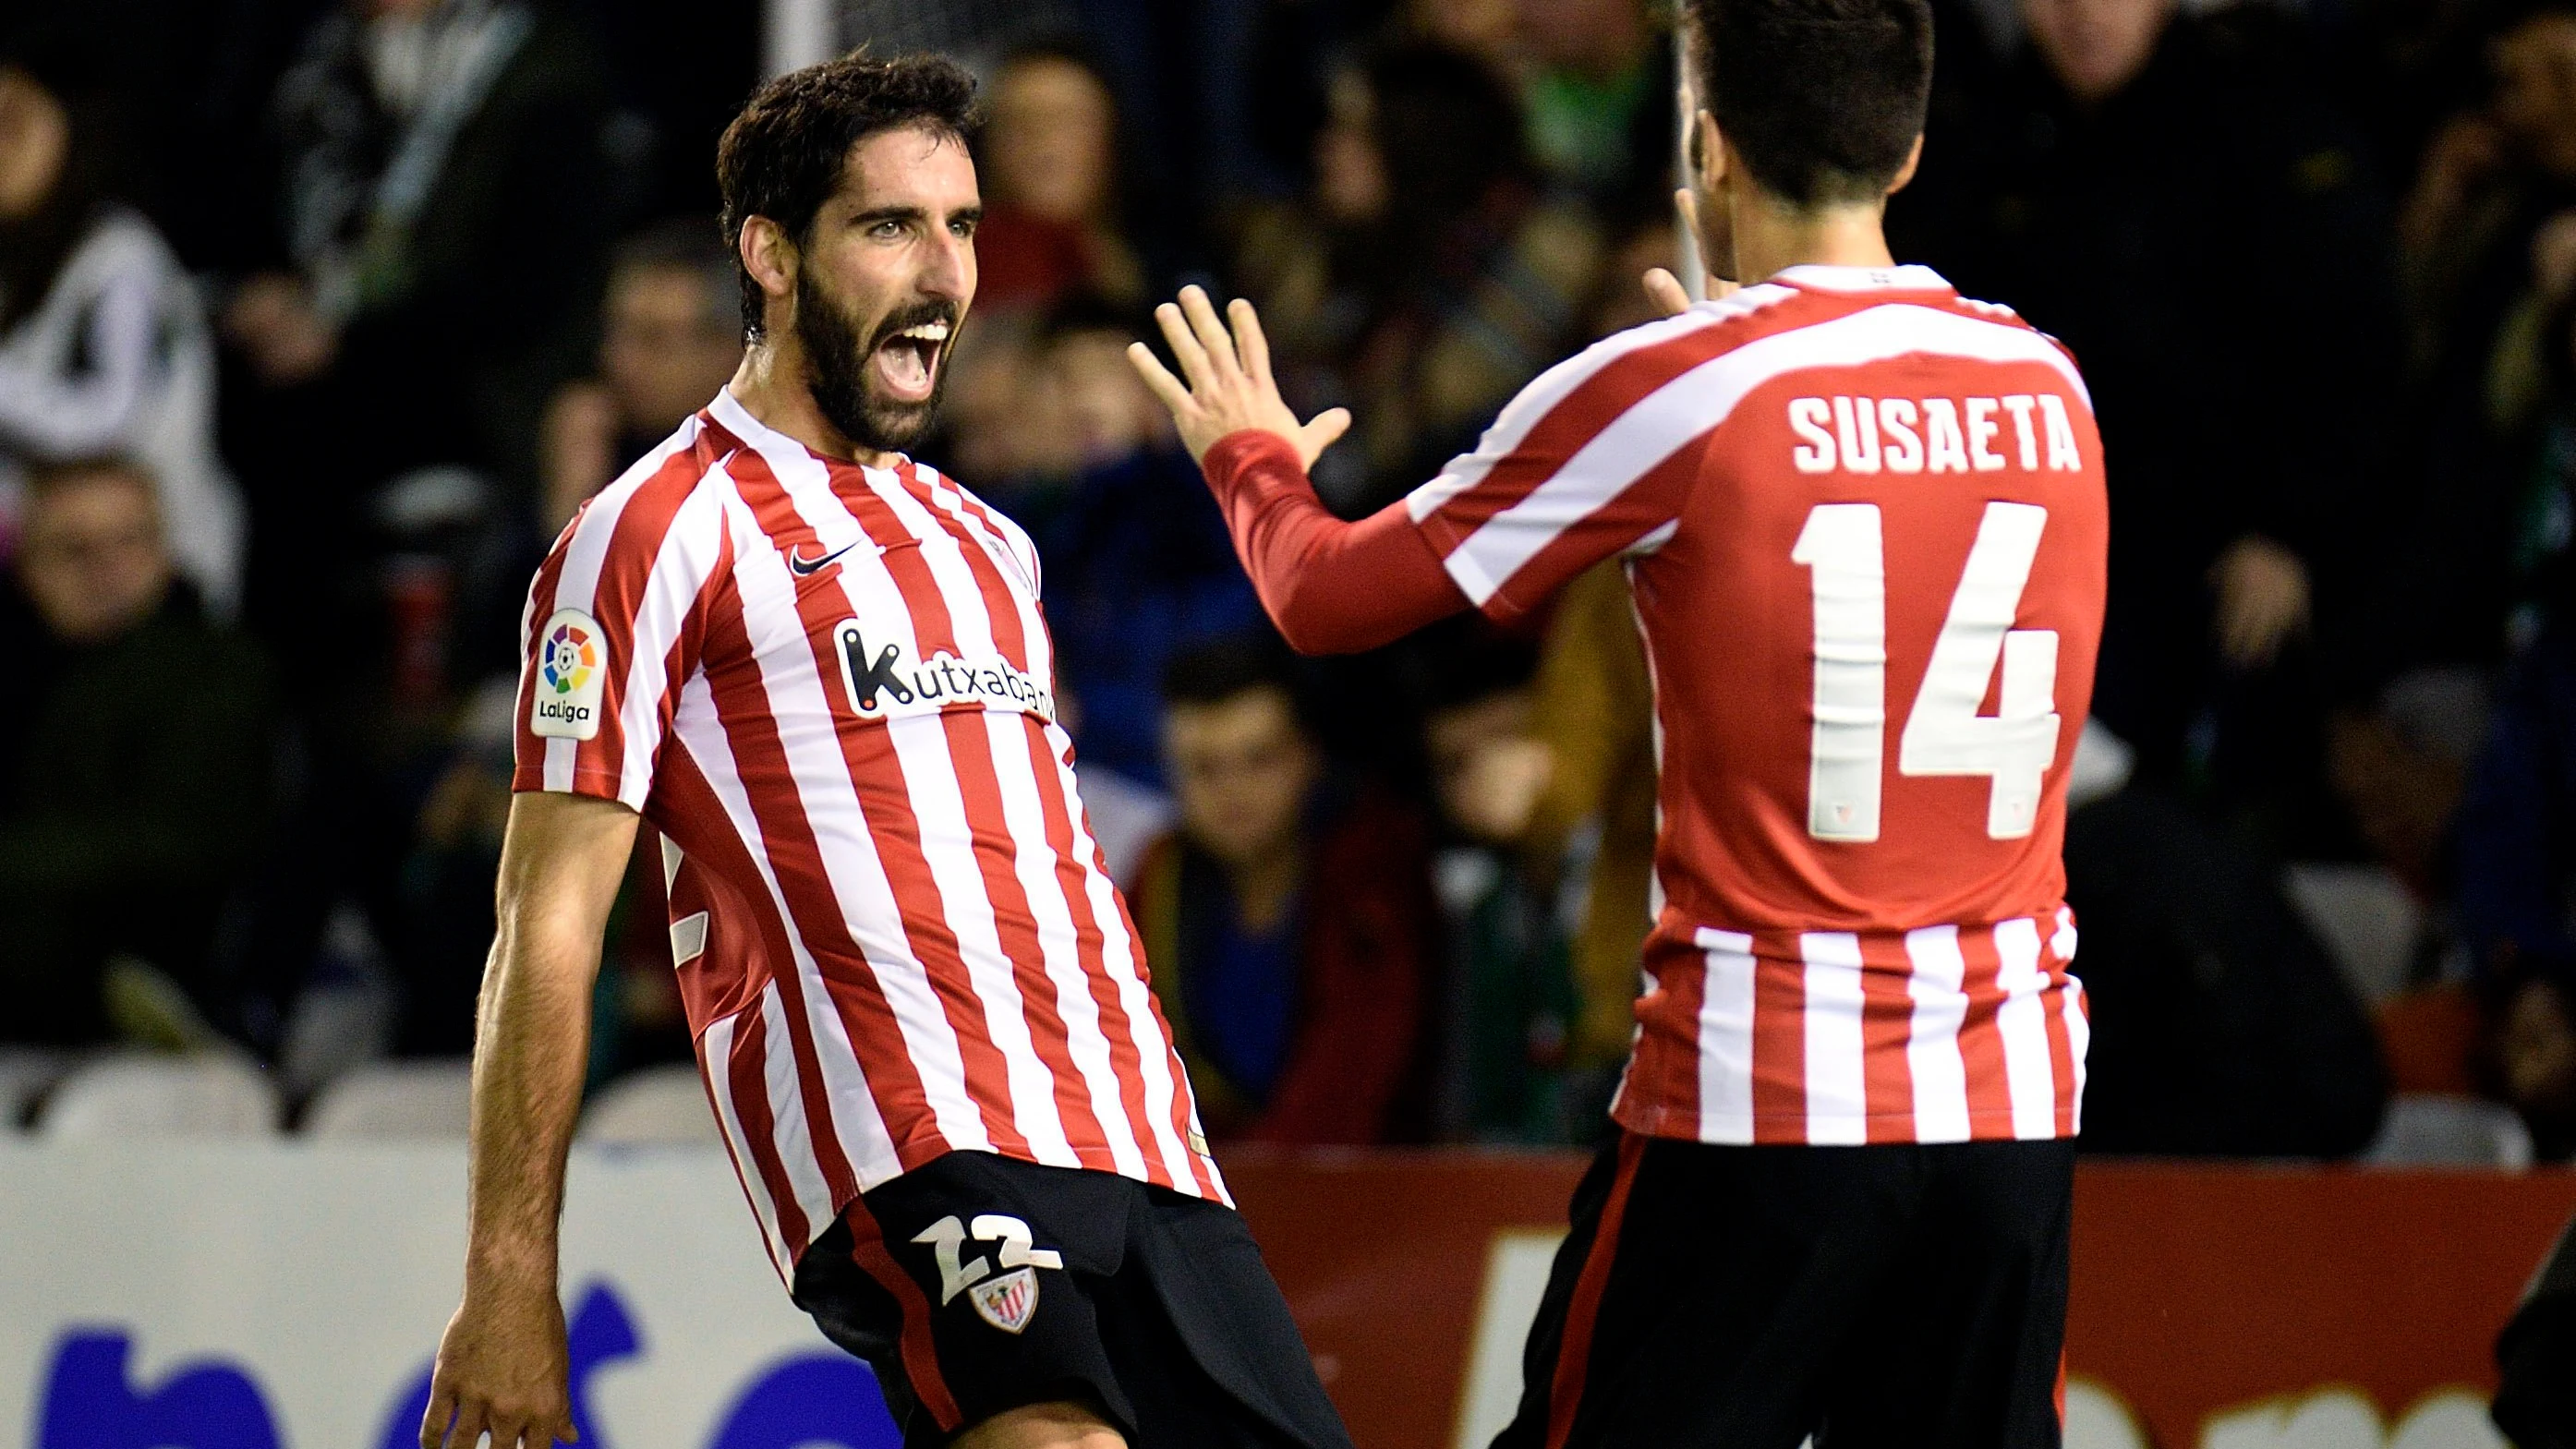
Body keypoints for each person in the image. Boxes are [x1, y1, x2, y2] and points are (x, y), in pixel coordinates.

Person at [1128, 0, 2109, 1438]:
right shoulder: (2048, 382)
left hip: (1761, 1105)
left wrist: (1248, 460)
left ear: (1705, 144)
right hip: (2007, 1107)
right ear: (1906, 149)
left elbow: (1324, 598)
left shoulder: (1675, 386)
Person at [420, 53, 1357, 1449]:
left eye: (964, 227)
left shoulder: (992, 544)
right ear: (772, 252)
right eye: (891, 226)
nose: (944, 273)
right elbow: (543, 921)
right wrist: (506, 1279)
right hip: (910, 1132)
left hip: (1136, 1135)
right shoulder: (653, 530)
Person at [0, 455, 272, 1045]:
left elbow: (186, 840)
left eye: (132, 542)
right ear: (26, 564)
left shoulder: (212, 669)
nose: (109, 570)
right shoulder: (19, 667)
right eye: (75, 551)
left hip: (133, 953)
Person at [1127, 638, 1438, 1143]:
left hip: (1356, 1185)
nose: (1232, 791)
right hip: (1203, 1188)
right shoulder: (1160, 878)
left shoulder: (1371, 869)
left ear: (1308, 757)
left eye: (1259, 760)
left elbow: (1355, 1078)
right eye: (1204, 768)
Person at [0, 32, 244, 615]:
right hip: (52, 586)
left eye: (11, 124)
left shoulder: (120, 253)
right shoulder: (21, 265)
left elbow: (115, 416)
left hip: (163, 583)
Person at [537, 218, 745, 536]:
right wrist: (570, 499)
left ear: (732, 351)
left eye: (652, 340)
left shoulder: (764, 482)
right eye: (616, 332)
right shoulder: (606, 447)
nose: (617, 360)